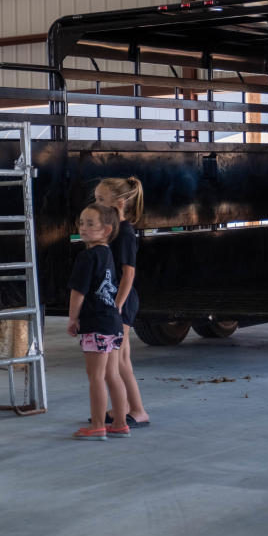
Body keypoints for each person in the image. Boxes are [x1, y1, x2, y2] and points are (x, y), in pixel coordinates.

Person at [68, 204, 130, 441]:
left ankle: (97, 425)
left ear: (106, 230)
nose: (83, 228)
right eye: (81, 223)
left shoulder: (86, 257)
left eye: (90, 224)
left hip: (95, 324)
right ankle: (121, 423)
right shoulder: (107, 254)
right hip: (113, 322)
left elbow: (78, 292)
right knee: (112, 375)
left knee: (96, 377)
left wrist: (73, 319)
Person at [95, 177, 151, 428]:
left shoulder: (125, 233)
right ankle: (124, 406)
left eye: (100, 200)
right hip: (116, 299)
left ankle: (138, 410)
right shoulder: (114, 231)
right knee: (122, 357)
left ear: (118, 204)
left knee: (117, 360)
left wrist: (117, 305)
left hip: (122, 301)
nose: (95, 204)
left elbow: (129, 273)